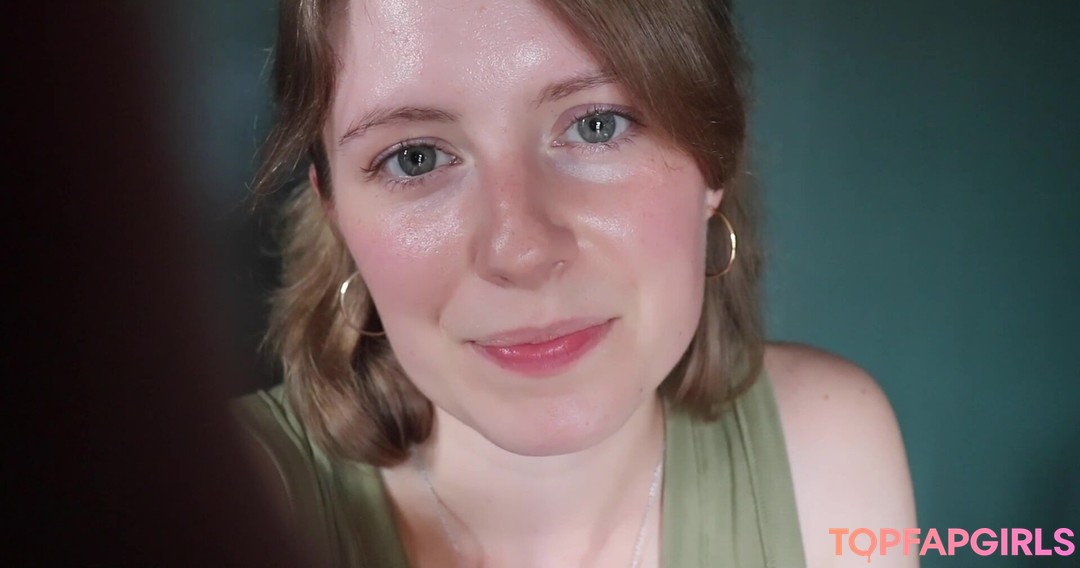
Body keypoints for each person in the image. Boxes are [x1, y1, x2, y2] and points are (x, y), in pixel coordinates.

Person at [233, 0, 918, 566]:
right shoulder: (225, 495)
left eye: (597, 125)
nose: (522, 252)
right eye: (414, 158)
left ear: (714, 155)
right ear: (335, 210)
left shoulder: (824, 452)